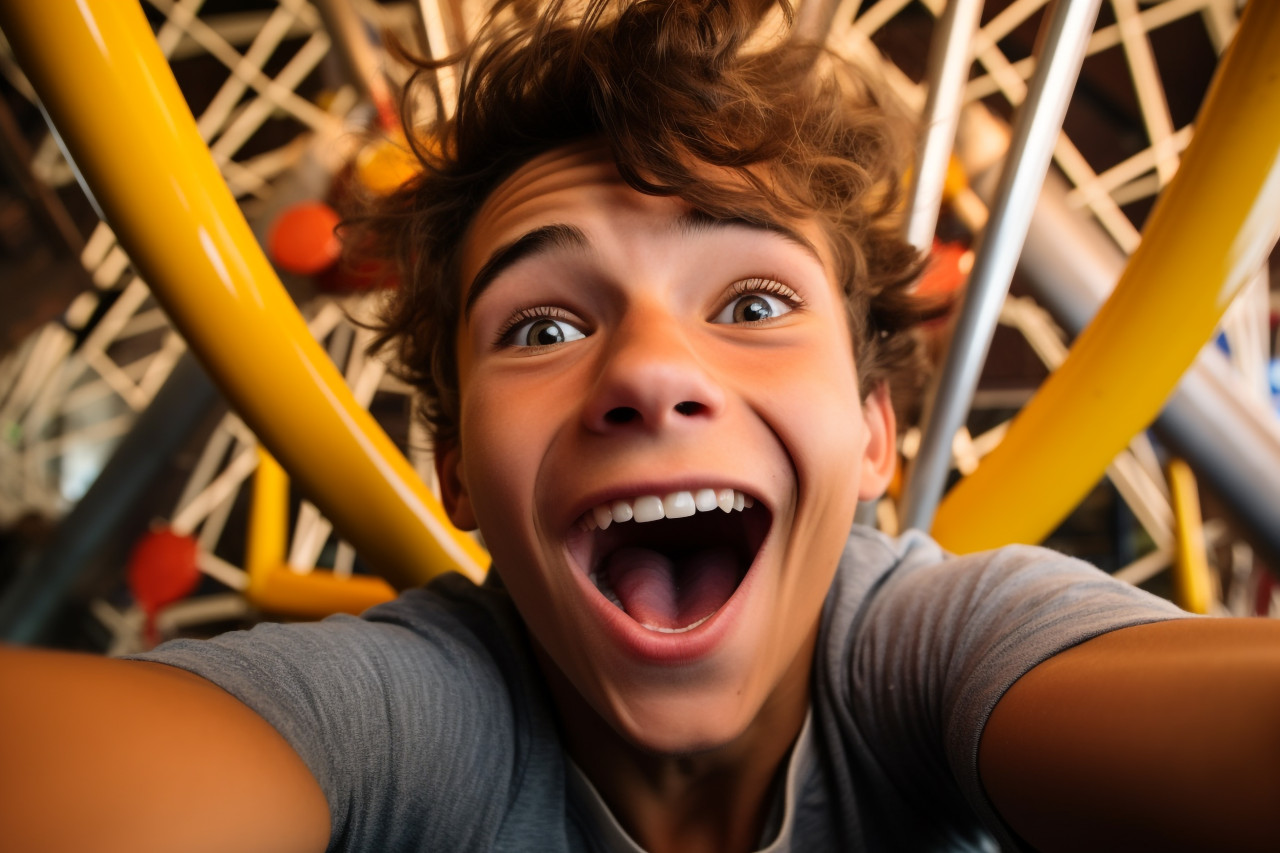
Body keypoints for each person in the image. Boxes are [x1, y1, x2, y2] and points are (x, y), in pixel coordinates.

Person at [2, 1, 1278, 851]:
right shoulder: (426, 711)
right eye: (542, 327)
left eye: (755, 301)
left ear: (874, 430)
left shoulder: (927, 645)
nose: (652, 373)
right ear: (455, 467)